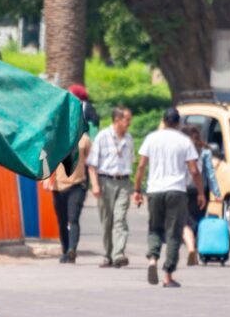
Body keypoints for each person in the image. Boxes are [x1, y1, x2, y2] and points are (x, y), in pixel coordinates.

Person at [133, 107, 205, 288]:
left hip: (155, 190)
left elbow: (141, 167)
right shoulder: (184, 141)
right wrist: (201, 192)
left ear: (163, 121)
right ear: (178, 123)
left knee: (155, 228)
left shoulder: (151, 138)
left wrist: (137, 190)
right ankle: (167, 275)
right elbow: (194, 170)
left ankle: (152, 260)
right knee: (174, 233)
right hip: (177, 191)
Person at [87, 107, 135, 268]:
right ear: (117, 120)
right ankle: (108, 255)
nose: (129, 123)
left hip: (123, 182)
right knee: (107, 221)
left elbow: (131, 162)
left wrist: (134, 189)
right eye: (126, 119)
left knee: (120, 218)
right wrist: (94, 185)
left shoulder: (129, 139)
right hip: (104, 181)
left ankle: (119, 254)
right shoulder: (102, 137)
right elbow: (92, 164)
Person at [181, 125, 222, 266]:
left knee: (184, 222)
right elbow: (210, 174)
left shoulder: (181, 150)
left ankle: (191, 247)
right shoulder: (205, 152)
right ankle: (197, 251)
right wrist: (216, 193)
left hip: (183, 190)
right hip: (201, 191)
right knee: (198, 222)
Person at [49, 130, 91, 263]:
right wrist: (45, 179)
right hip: (57, 186)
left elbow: (92, 164)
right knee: (62, 221)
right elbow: (47, 160)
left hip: (77, 185)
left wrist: (92, 184)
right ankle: (65, 250)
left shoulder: (84, 140)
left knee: (73, 218)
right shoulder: (56, 138)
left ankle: (72, 250)